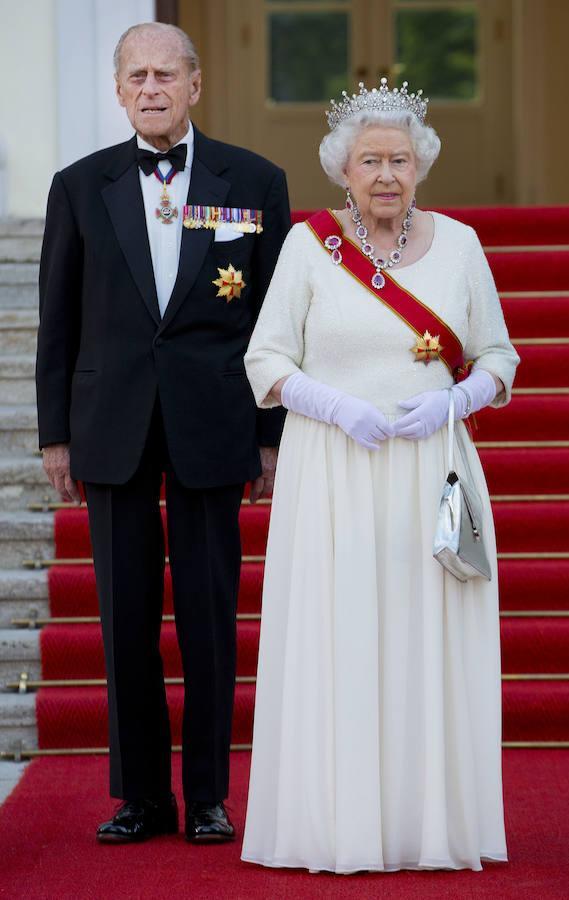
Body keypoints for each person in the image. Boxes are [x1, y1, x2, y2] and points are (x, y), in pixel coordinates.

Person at [242, 79, 519, 873]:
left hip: (432, 470)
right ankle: (338, 824)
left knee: (426, 641)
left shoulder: (461, 245)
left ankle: (427, 826)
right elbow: (264, 358)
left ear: (421, 165)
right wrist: (331, 404)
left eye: (400, 159)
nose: (387, 175)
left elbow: (499, 357)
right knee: (341, 639)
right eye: (371, 161)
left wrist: (454, 400)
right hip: (333, 471)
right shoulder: (308, 247)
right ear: (343, 169)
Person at [36, 22, 290, 844]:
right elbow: (57, 320)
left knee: (210, 617)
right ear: (118, 90)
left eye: (166, 74)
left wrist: (271, 433)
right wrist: (54, 435)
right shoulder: (79, 185)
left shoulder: (255, 181)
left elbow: (274, 321)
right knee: (125, 618)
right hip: (110, 424)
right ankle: (142, 796)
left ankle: (209, 794)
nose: (152, 88)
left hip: (214, 421)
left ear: (195, 84)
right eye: (137, 76)